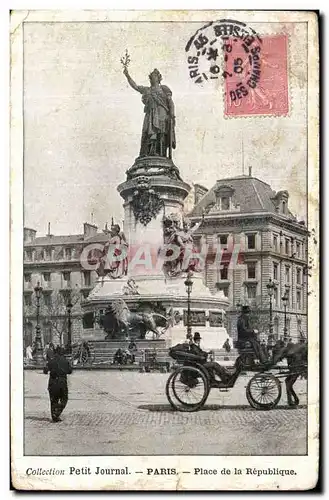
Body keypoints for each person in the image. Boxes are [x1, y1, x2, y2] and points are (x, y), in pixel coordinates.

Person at [123, 67, 176, 158]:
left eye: (155, 76)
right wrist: (127, 75)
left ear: (159, 78)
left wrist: (172, 115)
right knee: (149, 133)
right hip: (150, 115)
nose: (152, 78)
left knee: (161, 133)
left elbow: (170, 102)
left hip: (162, 114)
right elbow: (135, 86)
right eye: (151, 77)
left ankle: (161, 154)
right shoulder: (147, 90)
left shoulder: (164, 88)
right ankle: (149, 152)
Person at [43, 346, 72, 422]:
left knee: (53, 400)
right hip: (62, 382)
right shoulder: (65, 361)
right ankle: (57, 412)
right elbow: (70, 371)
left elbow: (45, 371)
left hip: (52, 383)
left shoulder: (51, 361)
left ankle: (54, 417)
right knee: (64, 399)